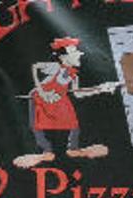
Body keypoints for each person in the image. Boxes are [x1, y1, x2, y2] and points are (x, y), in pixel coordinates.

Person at [13, 36, 116, 169]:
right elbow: (35, 67)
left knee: (73, 123)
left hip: (59, 99)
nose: (79, 54)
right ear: (63, 57)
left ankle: (73, 148)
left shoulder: (73, 74)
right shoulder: (55, 67)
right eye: (74, 52)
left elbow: (78, 93)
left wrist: (101, 89)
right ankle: (46, 151)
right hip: (41, 97)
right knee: (37, 125)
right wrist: (43, 93)